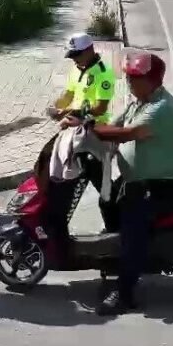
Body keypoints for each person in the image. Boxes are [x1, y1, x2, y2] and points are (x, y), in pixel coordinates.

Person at [75, 52, 173, 316]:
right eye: (128, 77)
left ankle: (125, 294)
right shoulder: (139, 103)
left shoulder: (161, 108)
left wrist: (91, 128)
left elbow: (127, 134)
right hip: (135, 180)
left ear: (152, 80)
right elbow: (114, 125)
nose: (129, 82)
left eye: (134, 78)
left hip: (159, 184)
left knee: (133, 233)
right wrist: (84, 127)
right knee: (108, 201)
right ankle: (117, 258)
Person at [49, 33, 117, 229]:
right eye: (72, 56)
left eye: (77, 55)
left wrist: (71, 111)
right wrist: (57, 107)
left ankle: (114, 226)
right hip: (73, 129)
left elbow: (100, 108)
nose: (74, 59)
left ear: (90, 50)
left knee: (102, 185)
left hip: (94, 133)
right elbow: (69, 94)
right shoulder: (77, 69)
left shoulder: (104, 73)